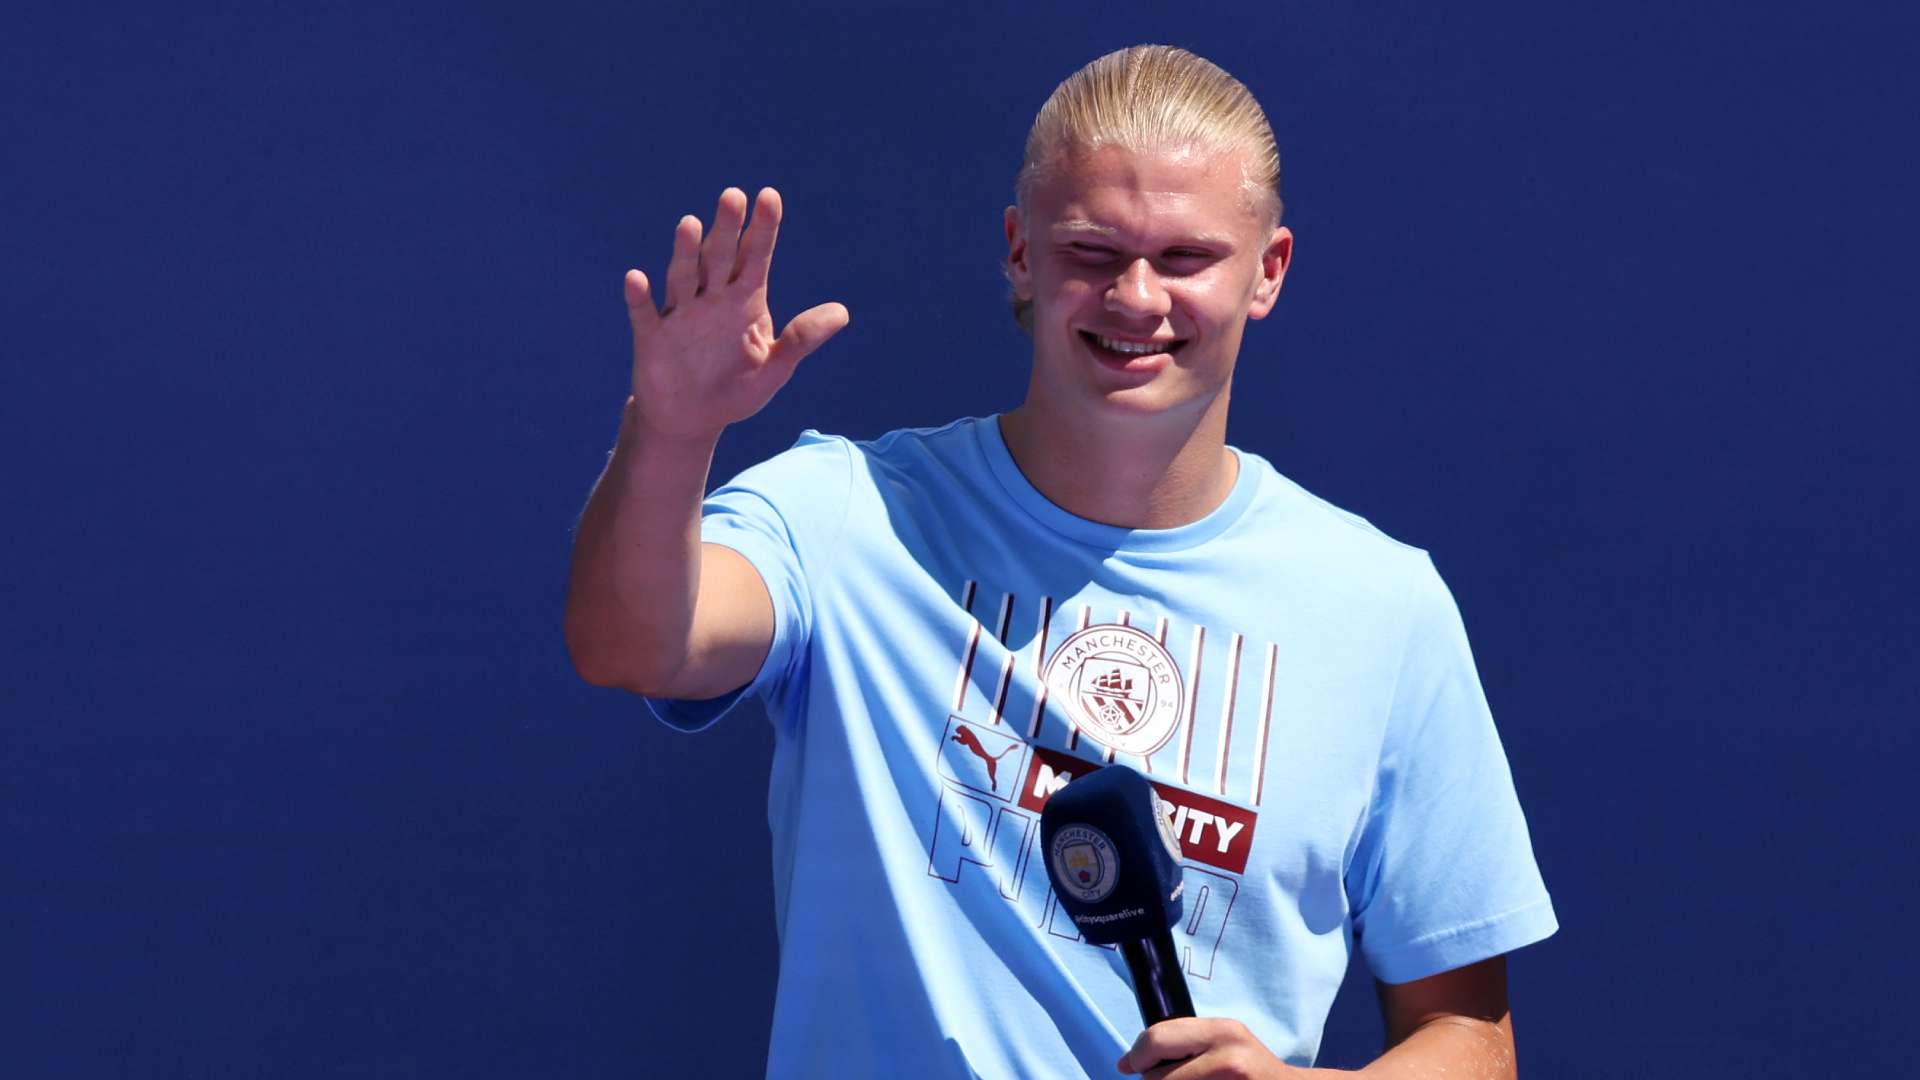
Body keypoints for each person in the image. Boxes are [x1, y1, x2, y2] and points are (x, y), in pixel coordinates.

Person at [566, 44, 1556, 1078]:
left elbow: (1471, 1037)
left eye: (1186, 259)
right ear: (1021, 253)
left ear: (1268, 272)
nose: (1136, 298)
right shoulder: (845, 512)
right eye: (1093, 251)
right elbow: (631, 644)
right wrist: (671, 433)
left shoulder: (1384, 607)